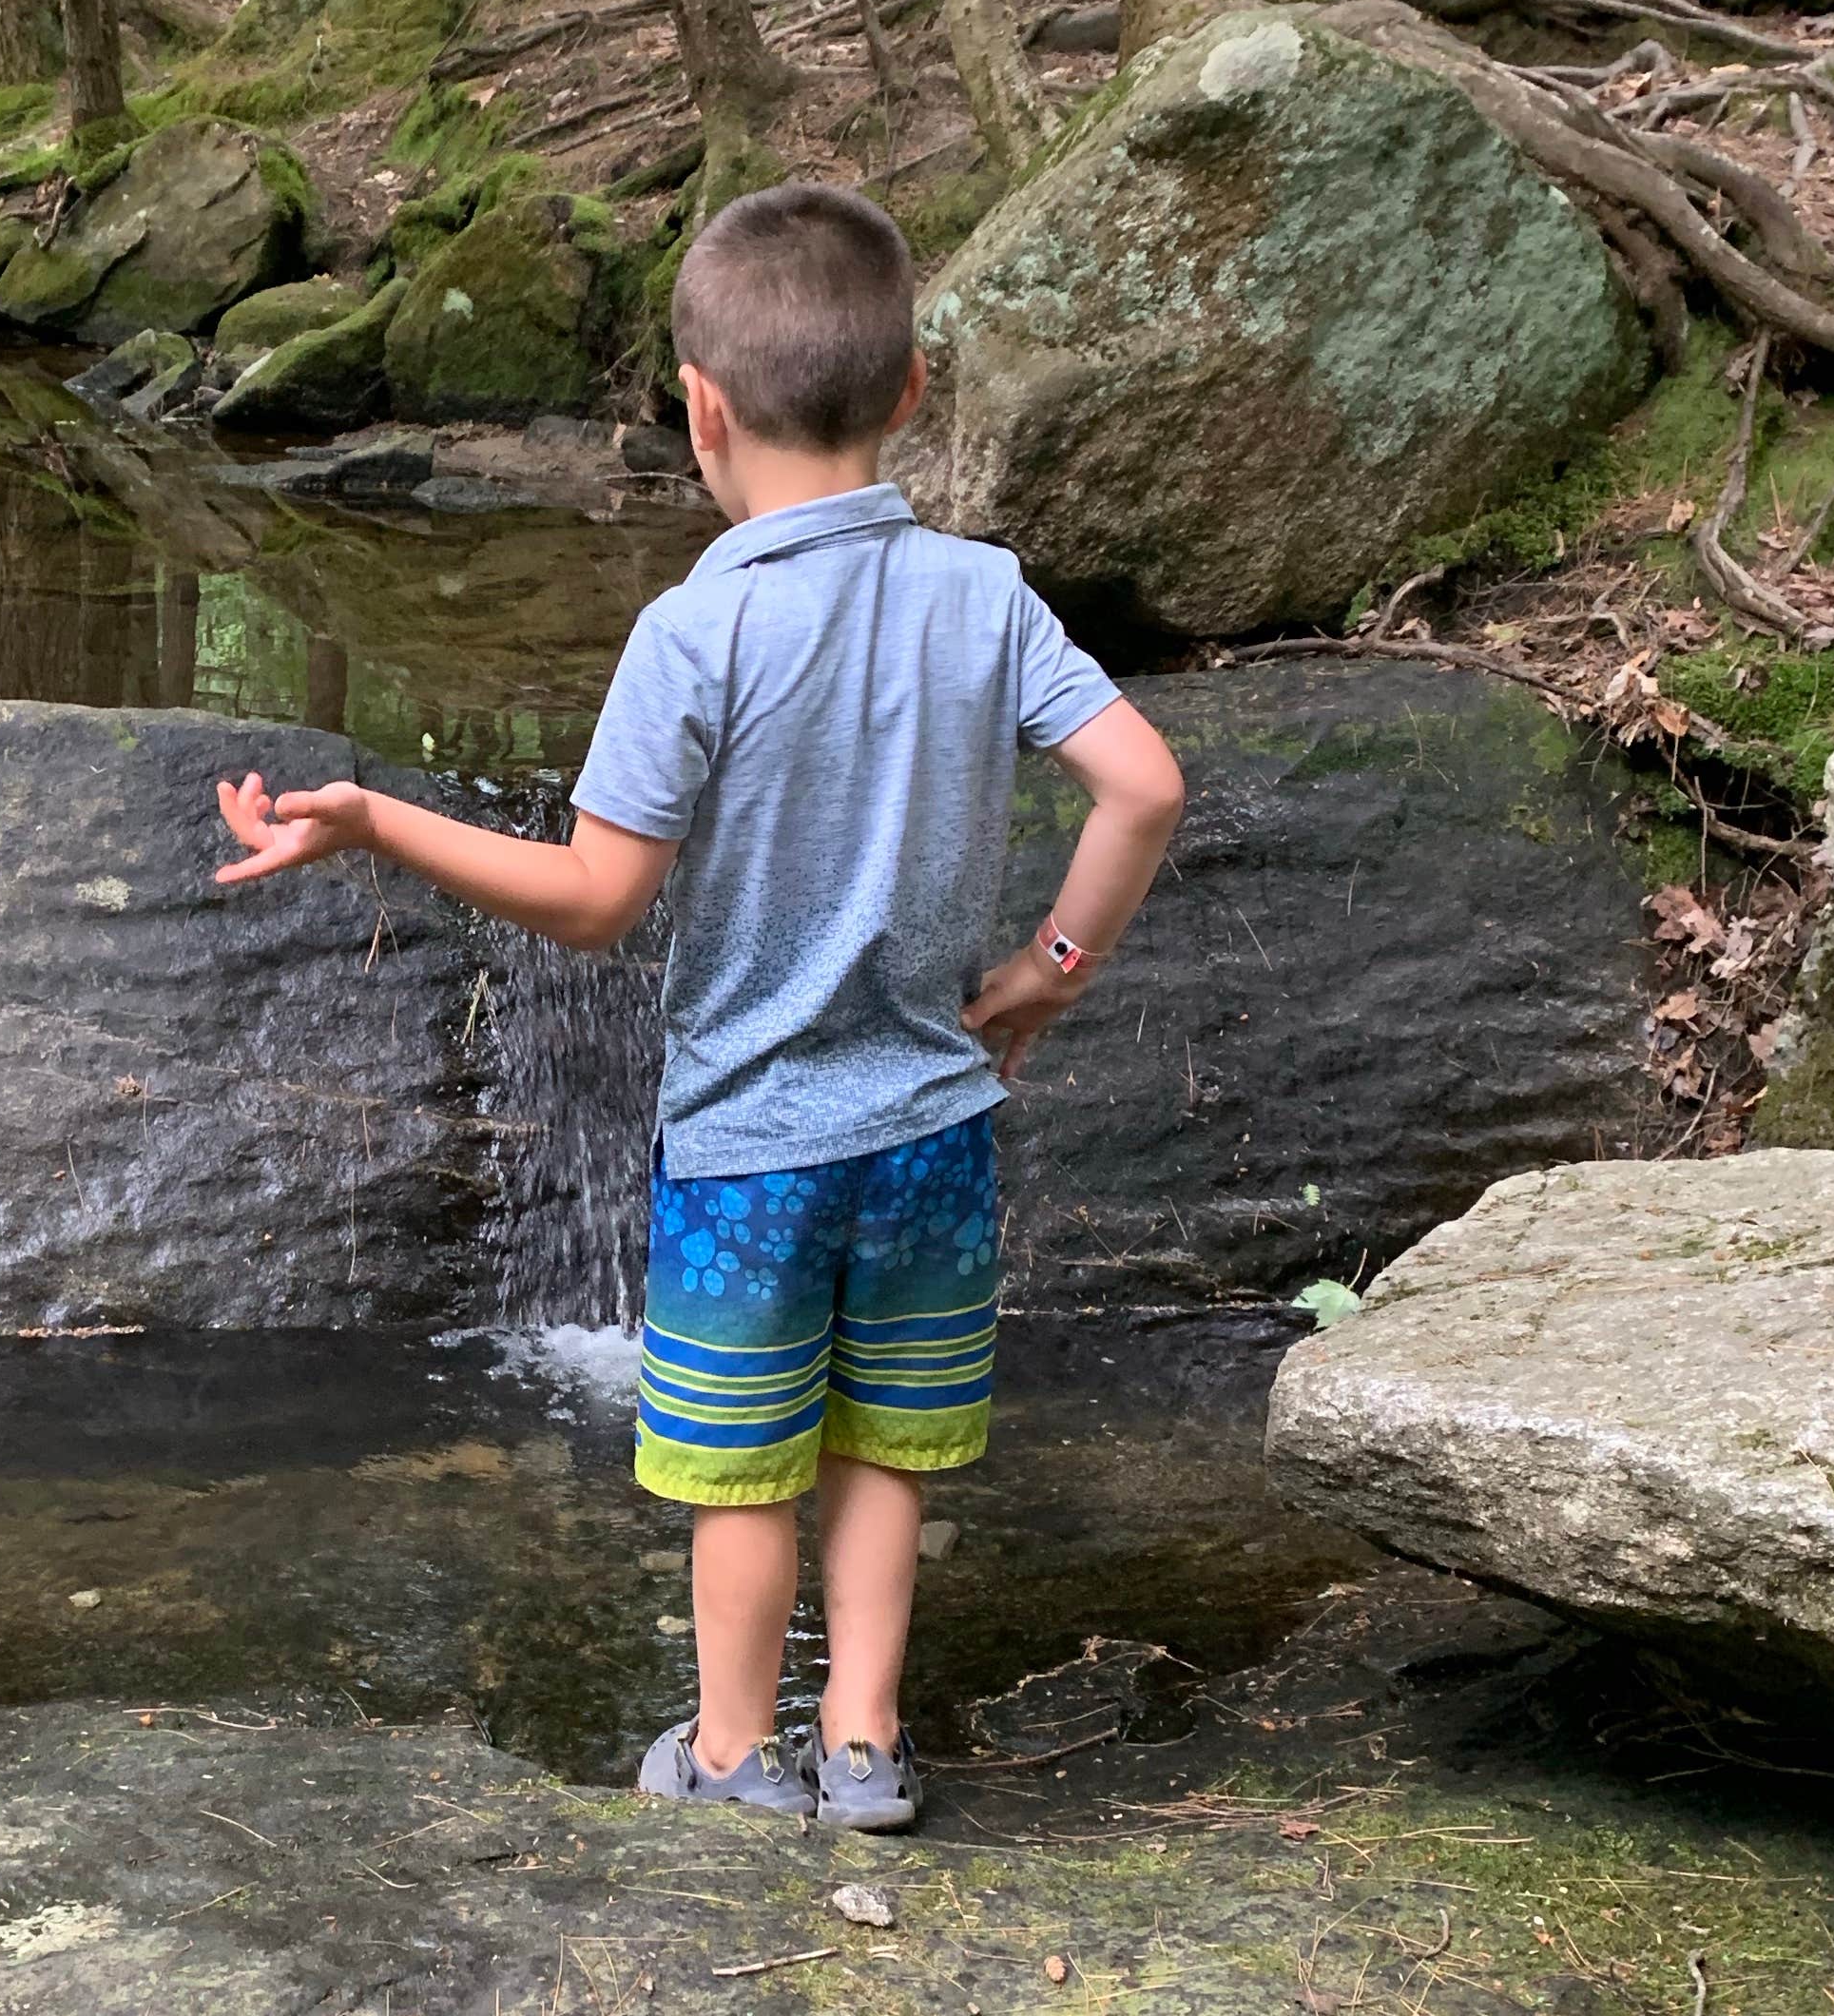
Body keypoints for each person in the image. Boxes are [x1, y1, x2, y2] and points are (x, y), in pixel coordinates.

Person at [216, 181, 1185, 1831]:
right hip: (935, 1127)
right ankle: (866, 1744)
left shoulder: (697, 628)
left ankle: (734, 1756)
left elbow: (597, 903)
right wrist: (1049, 973)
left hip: (748, 1153)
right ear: (911, 392)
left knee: (741, 1470)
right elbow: (1142, 788)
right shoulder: (983, 594)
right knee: (884, 1447)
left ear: (699, 409)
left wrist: (375, 820)